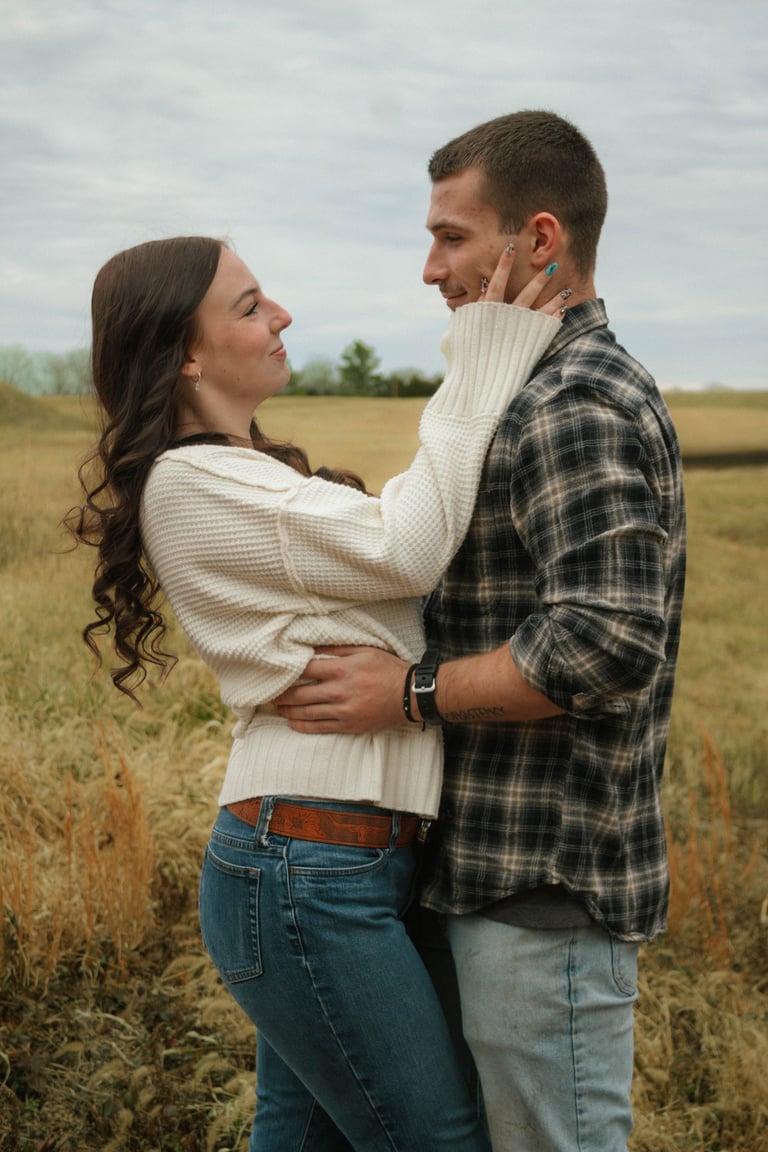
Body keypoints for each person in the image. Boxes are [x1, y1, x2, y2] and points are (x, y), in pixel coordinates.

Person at [72, 233, 566, 1151]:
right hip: (306, 868)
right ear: (184, 352)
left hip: (337, 861)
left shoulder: (243, 472)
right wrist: (482, 352)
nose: (282, 315)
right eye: (250, 305)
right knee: (439, 1138)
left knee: (307, 1141)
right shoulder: (192, 482)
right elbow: (405, 546)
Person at [275, 110, 687, 1152]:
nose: (429, 268)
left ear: (539, 240)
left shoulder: (576, 399)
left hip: (541, 896)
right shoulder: (522, 390)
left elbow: (604, 640)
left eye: (453, 238)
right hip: (490, 883)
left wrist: (406, 692)